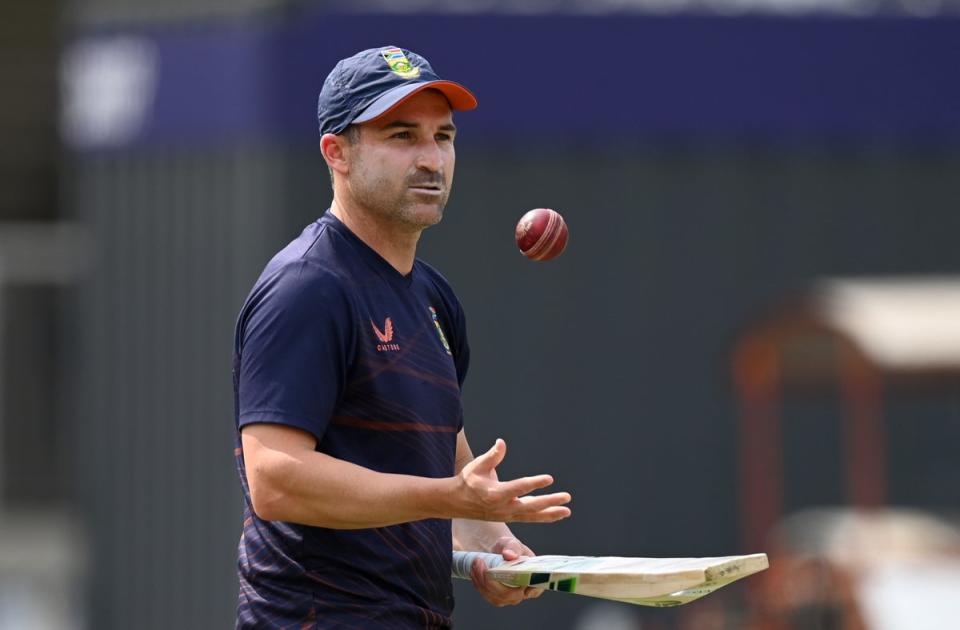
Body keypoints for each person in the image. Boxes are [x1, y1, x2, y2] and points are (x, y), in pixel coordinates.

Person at [232, 46, 572, 629]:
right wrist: (448, 498)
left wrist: (489, 540)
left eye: (443, 136)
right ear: (336, 152)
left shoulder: (433, 297)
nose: (431, 160)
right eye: (401, 136)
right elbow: (276, 479)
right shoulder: (308, 288)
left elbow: (438, 443)